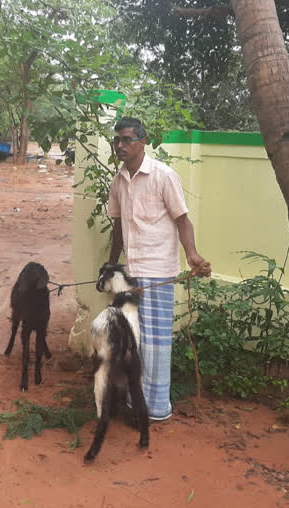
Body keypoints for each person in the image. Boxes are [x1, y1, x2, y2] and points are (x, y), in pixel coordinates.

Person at [105, 117, 211, 421]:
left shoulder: (164, 176)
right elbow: (118, 226)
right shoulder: (118, 181)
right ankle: (133, 402)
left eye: (127, 140)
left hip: (158, 272)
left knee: (156, 343)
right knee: (132, 341)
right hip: (132, 271)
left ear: (143, 141)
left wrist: (191, 255)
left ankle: (155, 408)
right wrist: (113, 266)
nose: (121, 146)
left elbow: (182, 220)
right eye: (117, 140)